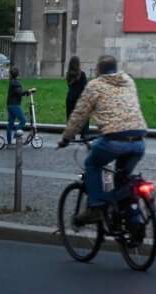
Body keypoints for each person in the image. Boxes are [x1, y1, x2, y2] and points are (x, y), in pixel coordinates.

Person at [57, 54, 148, 224]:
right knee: (122, 180)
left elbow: (79, 115)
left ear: (98, 70)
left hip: (115, 139)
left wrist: (66, 138)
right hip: (139, 139)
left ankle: (96, 206)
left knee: (92, 164)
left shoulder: (95, 85)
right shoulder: (128, 81)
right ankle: (133, 220)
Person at [4, 66, 29, 146]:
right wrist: (27, 91)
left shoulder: (12, 81)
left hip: (10, 105)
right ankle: (16, 135)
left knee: (10, 124)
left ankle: (9, 141)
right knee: (23, 120)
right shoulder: (15, 82)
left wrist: (27, 92)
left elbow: (18, 92)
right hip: (14, 105)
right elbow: (19, 92)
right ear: (18, 74)